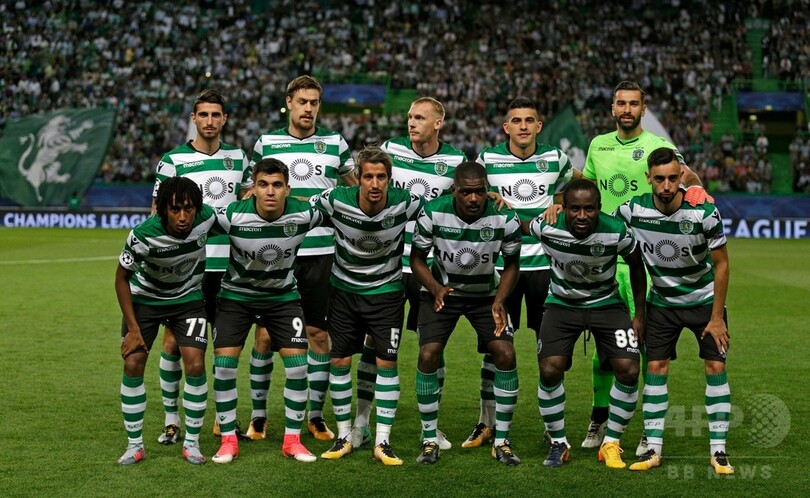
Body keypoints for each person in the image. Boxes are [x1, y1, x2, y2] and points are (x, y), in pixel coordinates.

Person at [549, 81, 710, 453]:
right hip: (604, 260)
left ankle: (646, 430)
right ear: (612, 108)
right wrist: (559, 196)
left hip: (644, 261)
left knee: (645, 349)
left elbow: (686, 175)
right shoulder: (598, 145)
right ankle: (599, 417)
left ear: (642, 108)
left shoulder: (656, 145)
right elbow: (587, 186)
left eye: (633, 104)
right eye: (620, 103)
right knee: (605, 350)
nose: (626, 109)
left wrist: (697, 188)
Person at [350, 97, 467, 451]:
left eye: (419, 118)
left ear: (438, 124)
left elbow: (466, 201)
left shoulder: (456, 161)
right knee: (373, 342)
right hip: (387, 263)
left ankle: (431, 426)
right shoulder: (391, 150)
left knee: (433, 345)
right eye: (410, 117)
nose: (411, 123)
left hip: (429, 267)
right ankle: (361, 422)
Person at [615, 148, 733, 474]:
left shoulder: (703, 212)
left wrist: (717, 317)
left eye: (671, 178)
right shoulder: (633, 210)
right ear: (648, 179)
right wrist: (557, 206)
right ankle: (653, 449)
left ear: (681, 176)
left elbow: (722, 265)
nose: (666, 186)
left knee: (715, 366)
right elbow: (598, 220)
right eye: (659, 179)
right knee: (656, 367)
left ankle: (719, 451)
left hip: (703, 302)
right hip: (662, 304)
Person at [251, 75, 356, 442]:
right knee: (264, 335)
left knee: (318, 335)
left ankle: (315, 415)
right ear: (289, 103)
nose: (308, 109)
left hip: (322, 253)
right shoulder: (266, 143)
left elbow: (355, 189)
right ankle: (259, 416)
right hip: (276, 252)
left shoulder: (335, 144)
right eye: (302, 102)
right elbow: (250, 192)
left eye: (314, 103)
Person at [465, 97, 573, 448]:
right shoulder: (488, 160)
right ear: (506, 127)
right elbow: (471, 193)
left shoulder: (556, 158)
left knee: (551, 350)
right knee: (495, 346)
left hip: (546, 266)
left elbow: (572, 189)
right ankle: (487, 422)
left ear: (539, 126)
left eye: (529, 120)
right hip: (503, 267)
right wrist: (488, 196)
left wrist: (560, 203)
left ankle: (552, 426)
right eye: (516, 120)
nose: (523, 126)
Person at [150, 89, 255, 444]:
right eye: (203, 115)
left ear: (225, 119)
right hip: (187, 266)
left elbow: (247, 202)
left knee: (226, 346)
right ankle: (172, 420)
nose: (210, 121)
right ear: (193, 118)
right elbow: (157, 213)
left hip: (230, 266)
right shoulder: (173, 160)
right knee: (173, 342)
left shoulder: (239, 158)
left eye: (216, 115)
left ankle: (225, 421)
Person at [312, 146, 424, 466]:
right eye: (368, 177)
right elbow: (297, 206)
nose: (375, 184)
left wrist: (493, 199)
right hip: (344, 292)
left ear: (390, 179)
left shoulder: (406, 202)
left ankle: (382, 441)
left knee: (387, 362)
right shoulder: (336, 200)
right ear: (357, 178)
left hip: (386, 293)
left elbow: (447, 210)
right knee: (340, 360)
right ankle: (345, 435)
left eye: (381, 177)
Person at [210, 158, 325, 464]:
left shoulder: (304, 214)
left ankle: (292, 441)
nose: (270, 192)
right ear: (253, 188)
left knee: (298, 367)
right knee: (224, 366)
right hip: (236, 297)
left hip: (282, 297)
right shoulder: (232, 215)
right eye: (263, 184)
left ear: (288, 189)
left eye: (277, 185)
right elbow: (192, 226)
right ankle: (228, 440)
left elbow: (343, 208)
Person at [411, 162, 522, 466]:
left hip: (486, 296)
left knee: (505, 353)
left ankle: (501, 440)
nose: (473, 198)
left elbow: (512, 265)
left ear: (488, 190)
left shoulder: (505, 217)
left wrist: (500, 301)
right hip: (442, 293)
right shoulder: (433, 212)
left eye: (480, 192)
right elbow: (417, 259)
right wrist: (435, 288)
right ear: (454, 190)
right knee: (428, 354)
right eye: (466, 192)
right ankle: (429, 438)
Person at [531, 179, 646, 469]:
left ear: (599, 208)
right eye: (575, 209)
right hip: (562, 304)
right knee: (549, 369)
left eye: (589, 209)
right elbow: (516, 224)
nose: (582, 216)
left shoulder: (616, 230)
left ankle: (611, 443)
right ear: (564, 208)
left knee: (629, 369)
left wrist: (639, 315)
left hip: (607, 304)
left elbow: (636, 264)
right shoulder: (546, 226)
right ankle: (558, 442)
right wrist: (498, 201)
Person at [115, 177, 218, 465]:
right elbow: (121, 279)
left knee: (195, 364)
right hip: (146, 300)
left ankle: (192, 444)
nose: (183, 216)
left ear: (197, 208)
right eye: (175, 210)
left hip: (188, 300)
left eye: (188, 209)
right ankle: (134, 445)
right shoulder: (143, 235)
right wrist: (133, 329)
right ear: (163, 210)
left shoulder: (207, 218)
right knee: (133, 362)